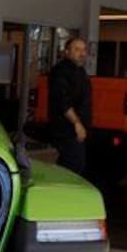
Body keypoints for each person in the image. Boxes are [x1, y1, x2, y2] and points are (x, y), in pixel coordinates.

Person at [48, 37, 92, 176]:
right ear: (67, 52)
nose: (82, 53)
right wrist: (77, 123)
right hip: (66, 128)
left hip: (76, 129)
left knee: (72, 164)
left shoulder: (81, 72)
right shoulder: (61, 71)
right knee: (73, 165)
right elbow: (63, 101)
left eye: (84, 50)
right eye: (77, 49)